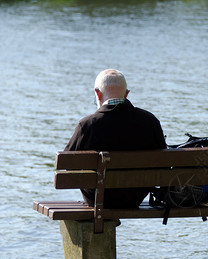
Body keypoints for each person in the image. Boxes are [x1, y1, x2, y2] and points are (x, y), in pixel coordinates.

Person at [65, 69, 167, 208]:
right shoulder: (150, 121)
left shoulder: (88, 125)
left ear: (97, 93)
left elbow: (67, 164)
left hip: (98, 199)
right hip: (134, 199)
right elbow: (163, 162)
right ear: (126, 94)